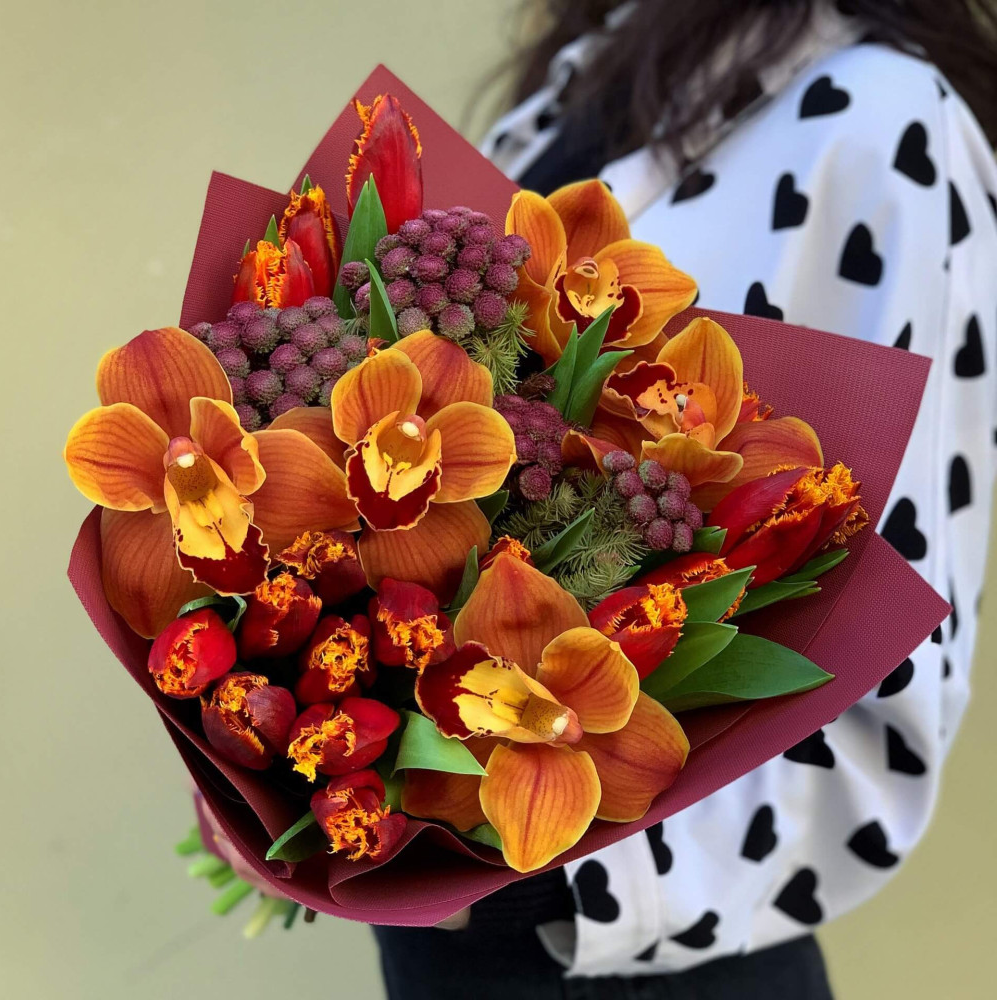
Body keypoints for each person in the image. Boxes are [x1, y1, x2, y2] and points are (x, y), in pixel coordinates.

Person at [374, 1, 997, 995]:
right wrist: (297, 772)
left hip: (639, 962)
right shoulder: (587, 74)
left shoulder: (886, 120)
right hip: (447, 948)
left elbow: (887, 693)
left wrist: (526, 880)